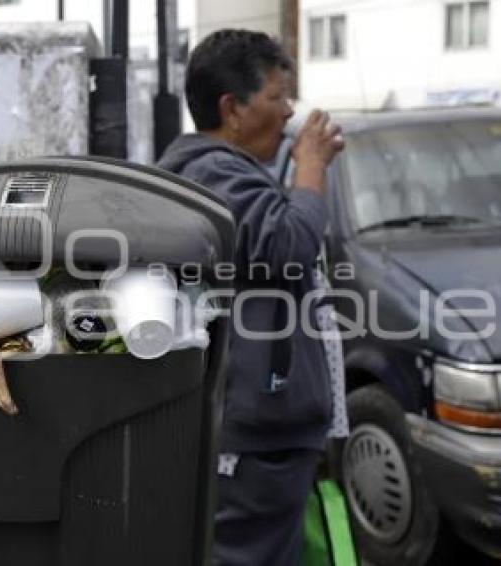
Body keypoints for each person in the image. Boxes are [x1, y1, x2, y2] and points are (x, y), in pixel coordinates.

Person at [157, 29, 345, 566]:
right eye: (276, 96)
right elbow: (288, 246)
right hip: (255, 431)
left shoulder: (221, 173)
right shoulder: (215, 172)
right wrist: (311, 166)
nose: (288, 112)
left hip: (257, 424)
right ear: (231, 108)